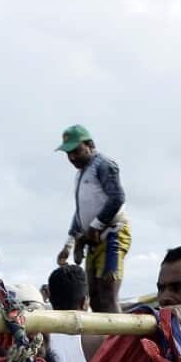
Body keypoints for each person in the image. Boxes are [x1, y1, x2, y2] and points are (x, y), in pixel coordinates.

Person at [54, 124, 130, 314]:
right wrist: (69, 244)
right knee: (92, 295)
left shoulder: (103, 164)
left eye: (76, 151)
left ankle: (119, 341)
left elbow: (117, 198)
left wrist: (95, 227)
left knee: (108, 291)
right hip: (92, 240)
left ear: (89, 145)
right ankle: (103, 341)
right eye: (68, 153)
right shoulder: (80, 174)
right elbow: (81, 212)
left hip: (112, 233)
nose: (72, 157)